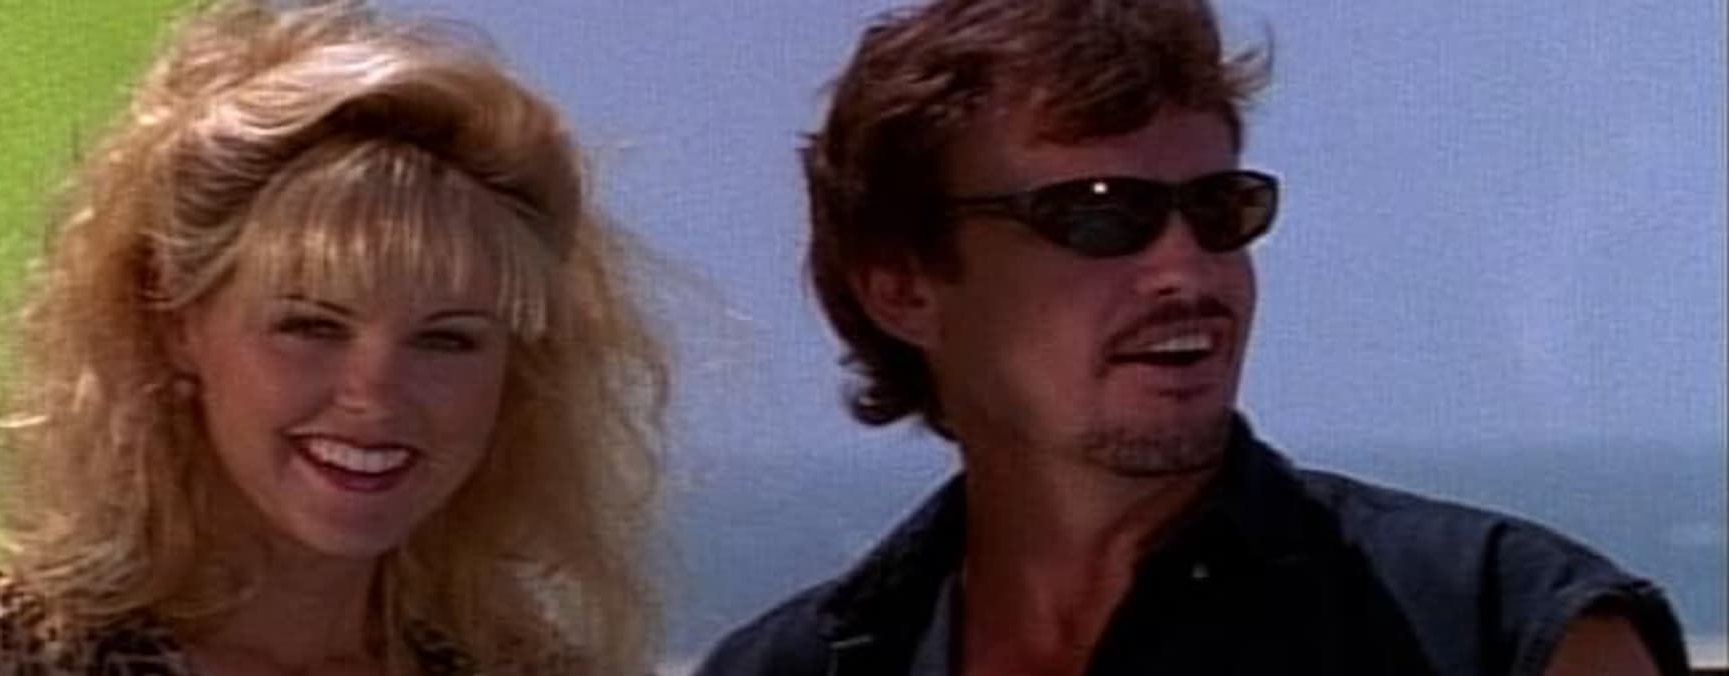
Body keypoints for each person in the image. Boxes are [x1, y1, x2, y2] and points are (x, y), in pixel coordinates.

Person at [695, 0, 1689, 674]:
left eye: (1219, 209)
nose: (1190, 270)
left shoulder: (1502, 630)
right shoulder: (794, 665)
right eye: (1100, 215)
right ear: (903, 286)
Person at [0, 1, 665, 674]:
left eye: (446, 341)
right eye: (311, 326)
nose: (375, 394)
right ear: (175, 324)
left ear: (517, 369)